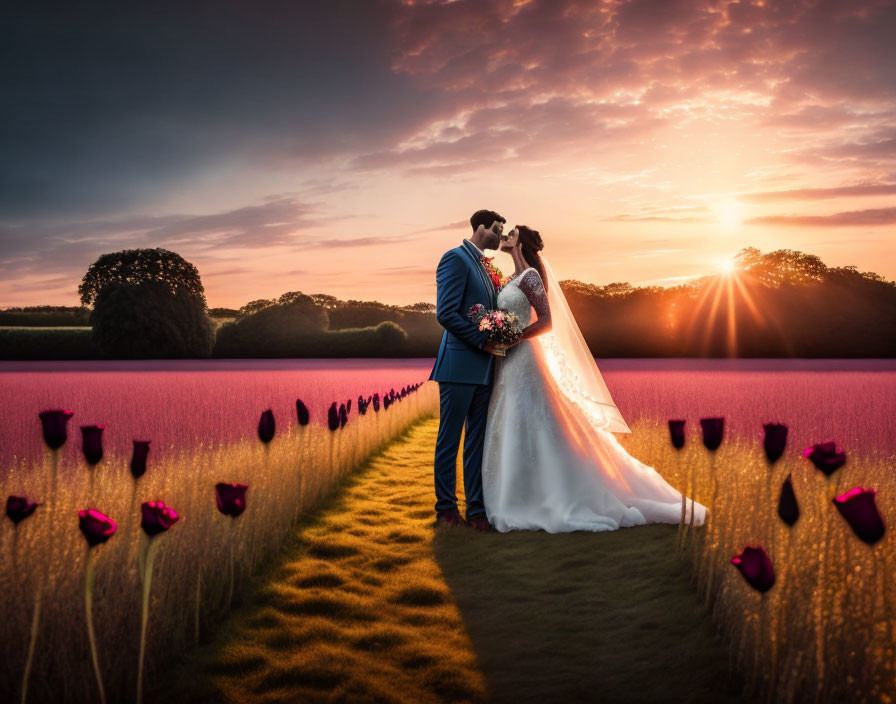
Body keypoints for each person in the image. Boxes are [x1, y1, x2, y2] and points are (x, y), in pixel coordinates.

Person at [481, 225, 707, 532]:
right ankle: (514, 490)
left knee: (534, 417)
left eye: (511, 233)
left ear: (519, 243)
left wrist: (515, 337)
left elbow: (547, 322)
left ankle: (553, 494)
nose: (505, 237)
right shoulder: (510, 279)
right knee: (510, 418)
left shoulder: (531, 277)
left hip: (524, 357)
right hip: (507, 363)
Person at [429, 208, 506, 531]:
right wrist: (481, 342)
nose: (501, 236)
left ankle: (476, 510)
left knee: (477, 441)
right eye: (497, 230)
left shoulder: (487, 267)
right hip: (459, 365)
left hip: (486, 369)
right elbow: (445, 313)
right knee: (450, 440)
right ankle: (445, 508)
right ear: (481, 227)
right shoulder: (455, 259)